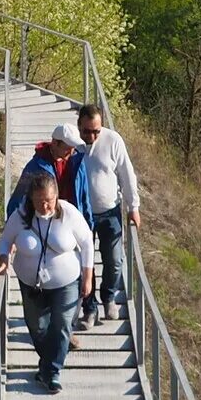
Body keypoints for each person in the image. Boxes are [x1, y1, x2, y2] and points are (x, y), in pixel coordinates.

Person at [0, 168, 94, 392]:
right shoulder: (20, 216)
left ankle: (52, 372)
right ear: (31, 199)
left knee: (61, 325)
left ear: (56, 197)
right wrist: (3, 260)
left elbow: (87, 242)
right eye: (39, 201)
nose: (45, 206)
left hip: (66, 282)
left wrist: (88, 277)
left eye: (49, 200)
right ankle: (47, 365)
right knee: (38, 328)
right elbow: (4, 241)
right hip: (31, 284)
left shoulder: (68, 213)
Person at [72, 102, 141, 326]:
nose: (91, 135)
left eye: (96, 131)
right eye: (86, 131)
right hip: (81, 214)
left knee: (115, 261)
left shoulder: (113, 140)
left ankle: (109, 297)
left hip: (110, 211)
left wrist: (133, 207)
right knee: (85, 263)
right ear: (78, 125)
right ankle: (89, 309)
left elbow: (126, 174)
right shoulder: (72, 144)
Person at [8, 121, 81, 217]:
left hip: (70, 219)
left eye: (73, 148)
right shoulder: (35, 167)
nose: (71, 152)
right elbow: (19, 198)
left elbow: (83, 196)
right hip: (43, 220)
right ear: (54, 143)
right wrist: (12, 224)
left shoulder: (77, 162)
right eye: (67, 148)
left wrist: (88, 225)